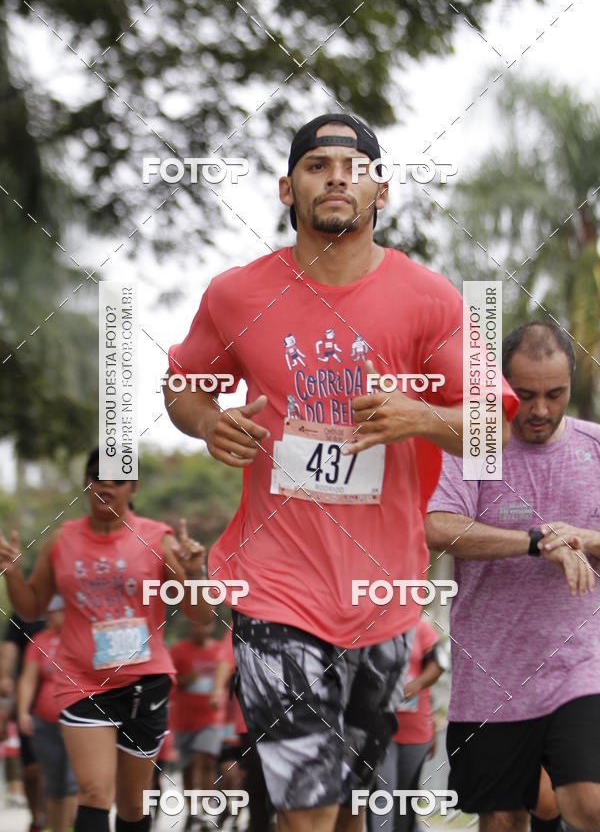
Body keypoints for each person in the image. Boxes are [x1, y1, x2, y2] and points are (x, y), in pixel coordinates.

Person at [165, 112, 520, 832]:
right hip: (273, 588)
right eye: (316, 165)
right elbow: (182, 381)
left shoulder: (430, 299)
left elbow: (496, 425)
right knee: (308, 806)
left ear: (380, 191)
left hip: (381, 594)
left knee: (350, 803)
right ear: (286, 189)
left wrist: (420, 418)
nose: (336, 177)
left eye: (353, 166)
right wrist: (207, 422)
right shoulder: (236, 294)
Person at [425, 321, 600, 831]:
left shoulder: (595, 447)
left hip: (580, 666)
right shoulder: (471, 447)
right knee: (502, 820)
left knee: (588, 804)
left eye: (555, 394)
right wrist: (535, 541)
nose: (541, 410)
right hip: (490, 677)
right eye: (525, 395)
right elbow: (439, 526)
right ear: (501, 386)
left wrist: (583, 539)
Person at [0, 447, 211, 832]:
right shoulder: (61, 540)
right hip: (83, 681)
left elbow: (199, 614)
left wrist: (195, 575)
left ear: (133, 488)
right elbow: (32, 609)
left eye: (117, 480)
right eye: (98, 477)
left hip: (144, 682)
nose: (106, 487)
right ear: (86, 483)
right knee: (95, 793)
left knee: (132, 806)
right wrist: (13, 573)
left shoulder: (155, 538)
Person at [368, 616, 445, 832]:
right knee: (384, 797)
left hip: (415, 729)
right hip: (380, 730)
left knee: (406, 801)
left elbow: (439, 664)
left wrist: (416, 685)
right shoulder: (370, 625)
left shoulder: (421, 627)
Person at [17, 594, 78, 832]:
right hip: (45, 721)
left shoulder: (80, 638)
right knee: (54, 784)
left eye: (56, 611)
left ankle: (71, 825)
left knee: (73, 782)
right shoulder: (40, 640)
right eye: (49, 613)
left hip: (76, 719)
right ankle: (56, 827)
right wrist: (23, 712)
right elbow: (28, 679)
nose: (50, 617)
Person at [212, 627, 273, 832]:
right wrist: (218, 689)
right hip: (251, 720)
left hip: (292, 718)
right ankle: (258, 825)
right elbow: (227, 658)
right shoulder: (244, 619)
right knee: (257, 780)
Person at [169, 618, 226, 831]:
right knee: (189, 766)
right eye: (195, 624)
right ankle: (192, 811)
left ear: (211, 627)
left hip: (212, 717)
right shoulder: (178, 651)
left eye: (203, 624)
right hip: (184, 719)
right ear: (189, 626)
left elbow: (229, 679)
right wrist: (184, 680)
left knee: (207, 760)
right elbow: (168, 682)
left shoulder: (220, 651)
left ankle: (206, 810)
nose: (199, 628)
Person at [0, 611, 45, 830]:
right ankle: (37, 818)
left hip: (70, 696)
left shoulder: (74, 601)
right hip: (28, 700)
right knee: (32, 769)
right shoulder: (23, 614)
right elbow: (8, 650)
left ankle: (63, 817)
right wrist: (4, 677)